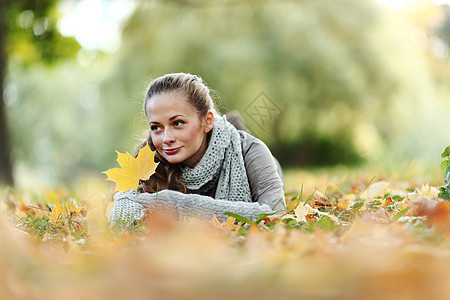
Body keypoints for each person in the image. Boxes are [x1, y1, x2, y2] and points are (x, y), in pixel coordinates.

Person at [109, 73, 285, 227]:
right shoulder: (147, 163)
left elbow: (275, 214)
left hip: (262, 164)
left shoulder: (250, 150)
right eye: (156, 127)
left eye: (177, 123)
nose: (166, 138)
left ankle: (234, 124)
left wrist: (174, 204)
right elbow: (116, 213)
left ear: (207, 121)